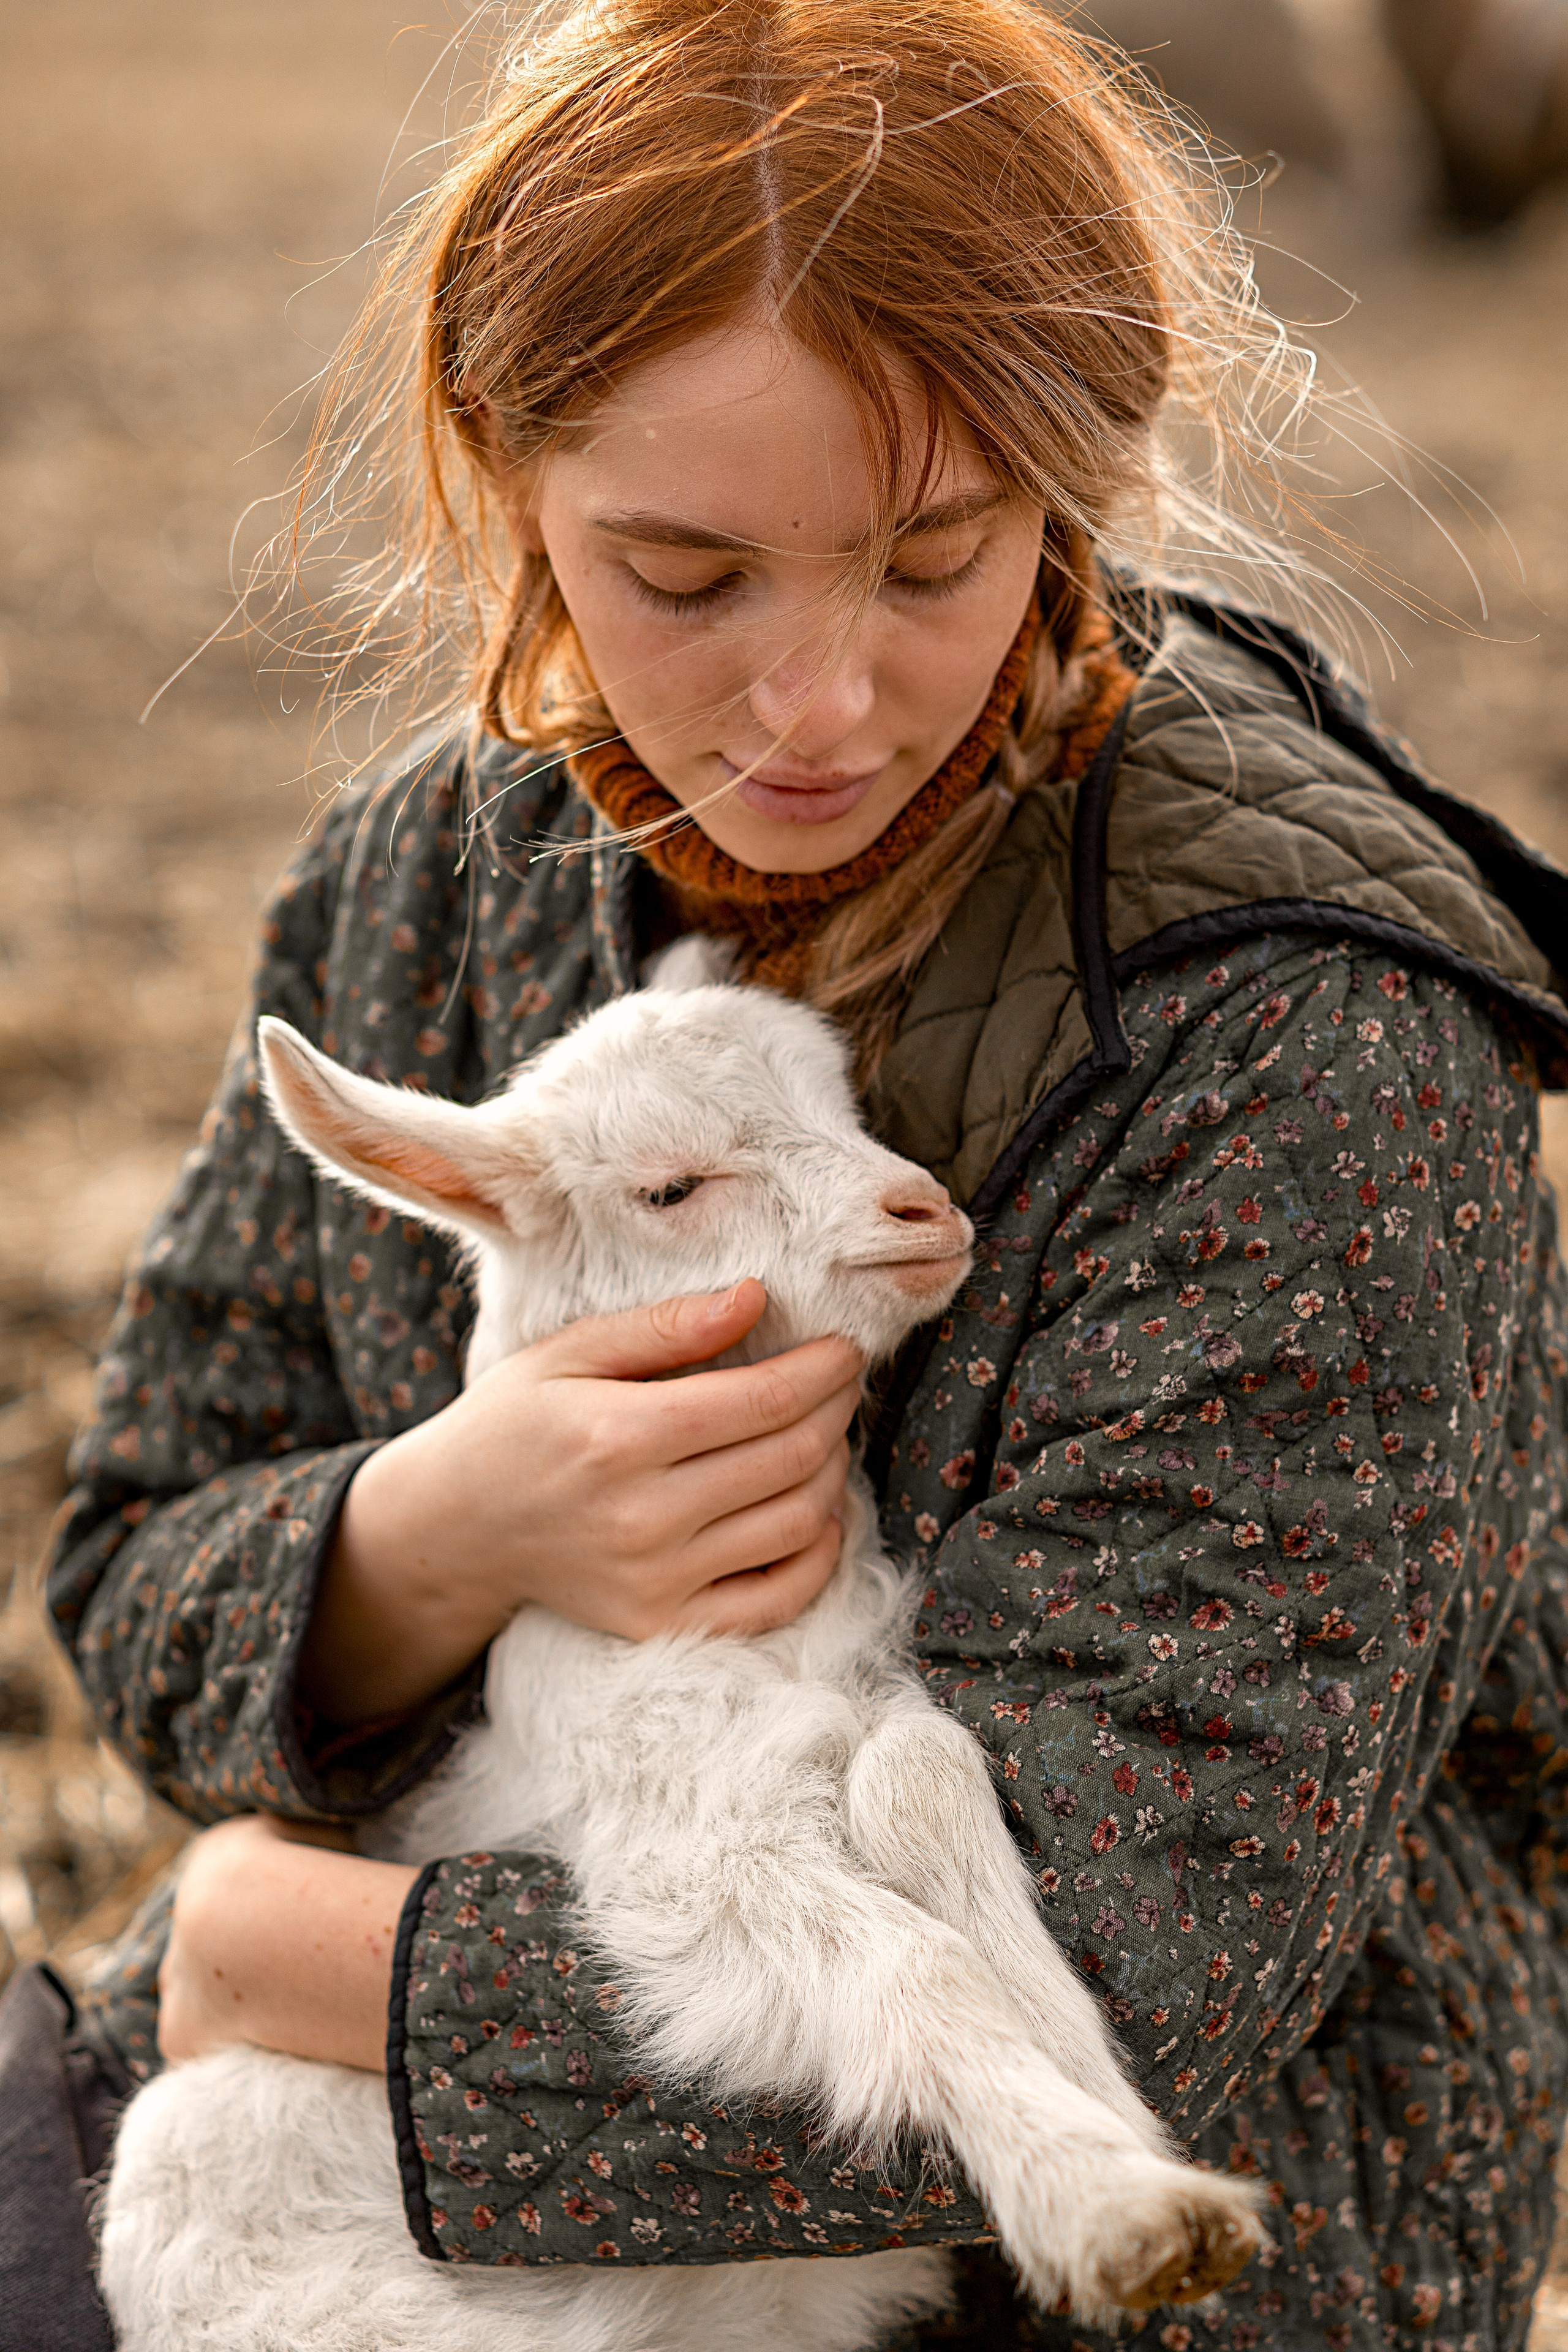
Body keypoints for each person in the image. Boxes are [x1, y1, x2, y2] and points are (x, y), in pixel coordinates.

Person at [15, 1, 1568, 2345]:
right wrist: (439, 1532)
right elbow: (144, 1565)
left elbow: (1138, 1972)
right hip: (365, 2149)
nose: (814, 707)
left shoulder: (1301, 1039)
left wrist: (278, 1946)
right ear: (507, 473)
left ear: (1079, 462)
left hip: (1101, 2267)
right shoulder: (439, 881)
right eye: (685, 576)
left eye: (931, 559)